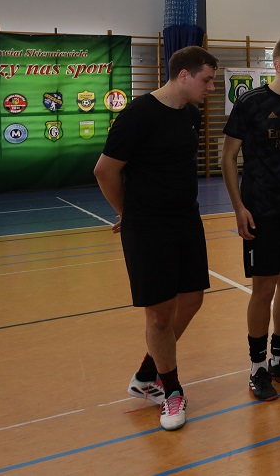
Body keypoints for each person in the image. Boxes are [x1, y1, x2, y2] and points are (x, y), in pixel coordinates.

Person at [94, 46, 218, 431]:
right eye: (207, 80)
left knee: (192, 299)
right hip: (148, 226)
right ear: (184, 75)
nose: (211, 88)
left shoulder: (191, 114)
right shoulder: (138, 115)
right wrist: (128, 212)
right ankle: (171, 389)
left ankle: (148, 374)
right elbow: (104, 171)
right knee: (160, 314)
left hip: (186, 219)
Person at [222, 36, 280, 401]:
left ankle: (279, 358)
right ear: (278, 65)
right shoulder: (251, 103)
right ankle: (257, 366)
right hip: (260, 209)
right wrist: (238, 207)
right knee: (264, 289)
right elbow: (228, 157)